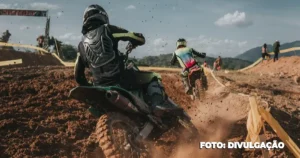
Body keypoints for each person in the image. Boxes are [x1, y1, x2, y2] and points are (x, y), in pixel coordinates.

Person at [75, 4, 173, 111]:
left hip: (99, 86)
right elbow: (136, 37)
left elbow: (78, 76)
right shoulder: (108, 29)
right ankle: (158, 105)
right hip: (122, 80)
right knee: (153, 77)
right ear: (102, 15)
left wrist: (91, 85)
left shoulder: (81, 46)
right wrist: (138, 40)